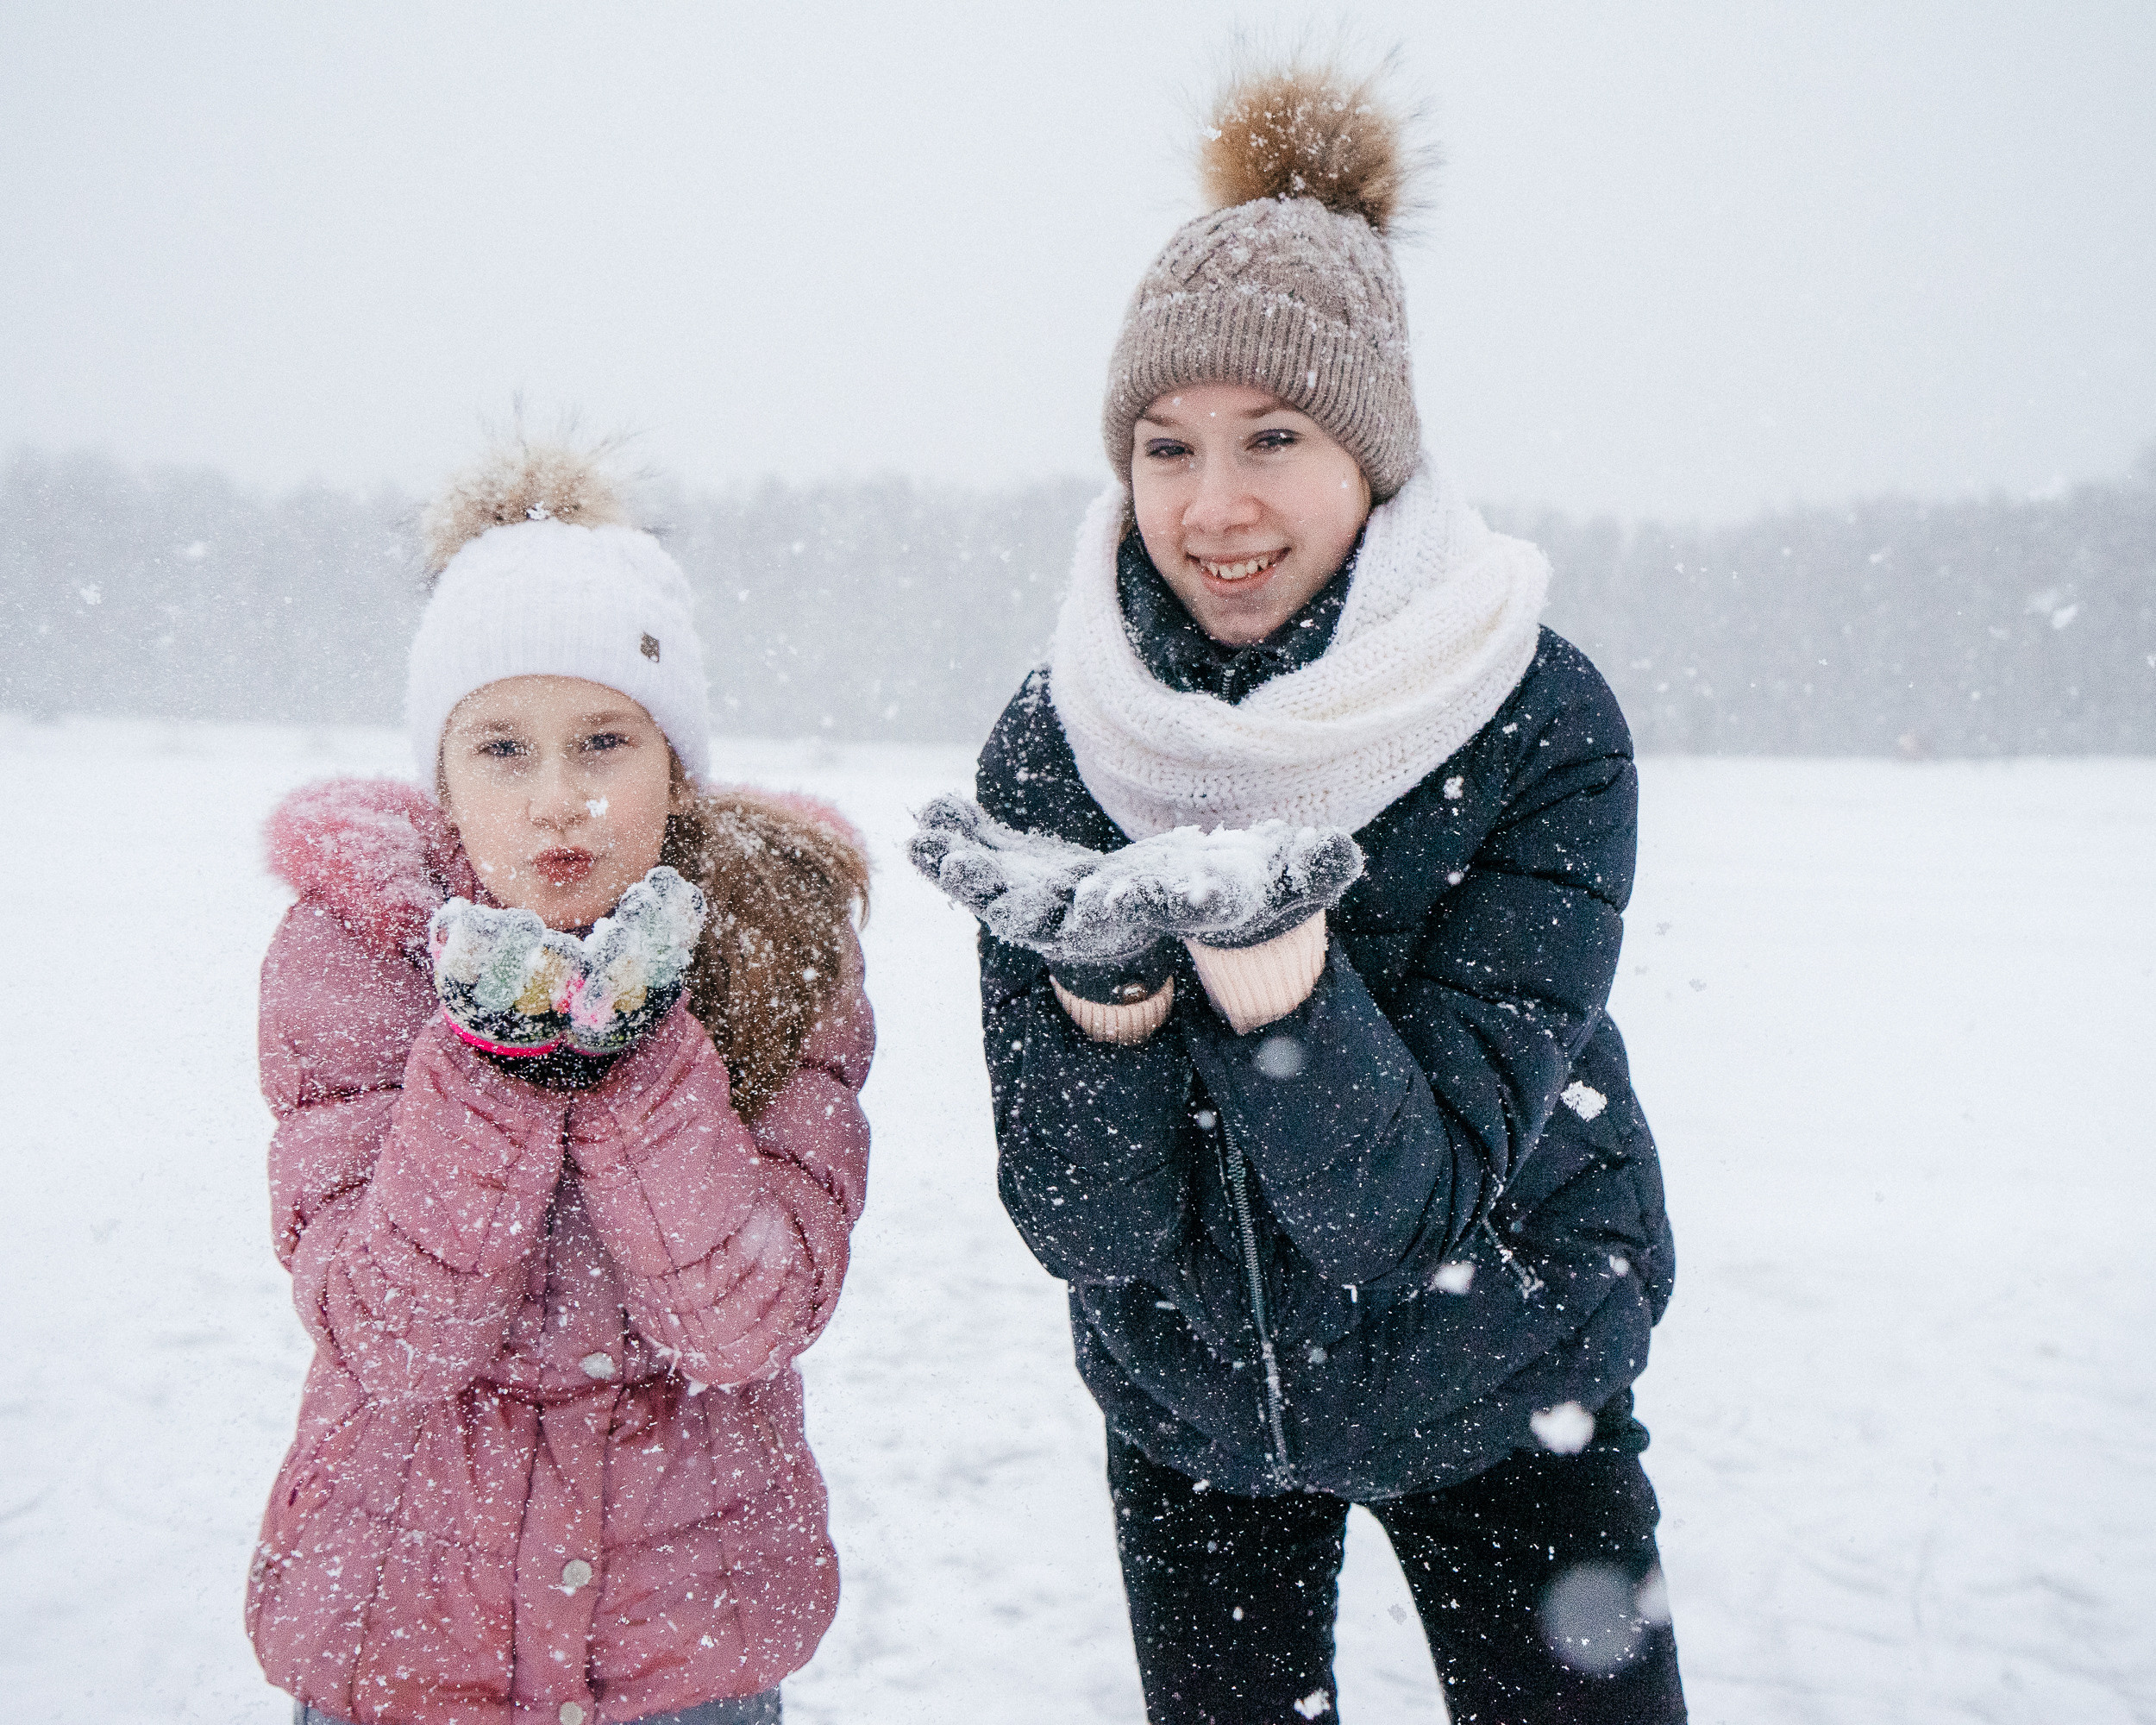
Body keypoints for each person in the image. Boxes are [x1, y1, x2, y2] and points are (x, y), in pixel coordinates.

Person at [908, 61, 1685, 1723]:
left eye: (1275, 436)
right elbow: (1088, 1230)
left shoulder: (1533, 719)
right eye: (1167, 447)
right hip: (1196, 1423)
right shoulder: (1063, 740)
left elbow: (1403, 1218)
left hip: (1511, 1386)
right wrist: (1108, 996)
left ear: (1375, 456)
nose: (1215, 506)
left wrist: (1276, 977)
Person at [248, 442, 873, 1725]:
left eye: (603, 741)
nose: (558, 802)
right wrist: (492, 1065)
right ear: (442, 774)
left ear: (673, 764)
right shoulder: (353, 953)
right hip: (403, 1624)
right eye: (501, 747)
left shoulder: (776, 948)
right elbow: (391, 1337)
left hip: (686, 1638)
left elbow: (744, 1328)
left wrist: (642, 1060)